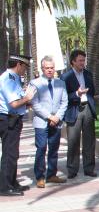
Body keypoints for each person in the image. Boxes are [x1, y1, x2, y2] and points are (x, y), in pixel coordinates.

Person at [30, 55, 68, 188]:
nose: (50, 70)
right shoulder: (35, 83)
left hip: (56, 121)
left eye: (52, 68)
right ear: (42, 69)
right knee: (41, 148)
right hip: (41, 121)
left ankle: (51, 174)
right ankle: (40, 176)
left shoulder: (60, 83)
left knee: (54, 149)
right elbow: (34, 104)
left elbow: (64, 102)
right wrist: (49, 117)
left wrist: (57, 117)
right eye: (47, 68)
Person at [0, 54, 36, 196]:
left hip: (13, 118)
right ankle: (5, 186)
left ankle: (12, 182)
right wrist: (27, 98)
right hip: (8, 119)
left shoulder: (14, 79)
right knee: (9, 153)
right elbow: (14, 103)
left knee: (13, 153)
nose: (26, 69)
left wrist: (26, 102)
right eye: (25, 66)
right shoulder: (7, 79)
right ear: (18, 65)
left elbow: (19, 101)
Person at [60, 49, 96, 179]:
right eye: (80, 60)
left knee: (90, 140)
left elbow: (93, 91)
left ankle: (89, 168)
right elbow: (63, 97)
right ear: (73, 61)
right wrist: (77, 94)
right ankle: (72, 169)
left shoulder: (88, 74)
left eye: (84, 60)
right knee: (73, 141)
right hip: (73, 110)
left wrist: (88, 96)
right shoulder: (65, 77)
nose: (83, 63)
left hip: (88, 109)